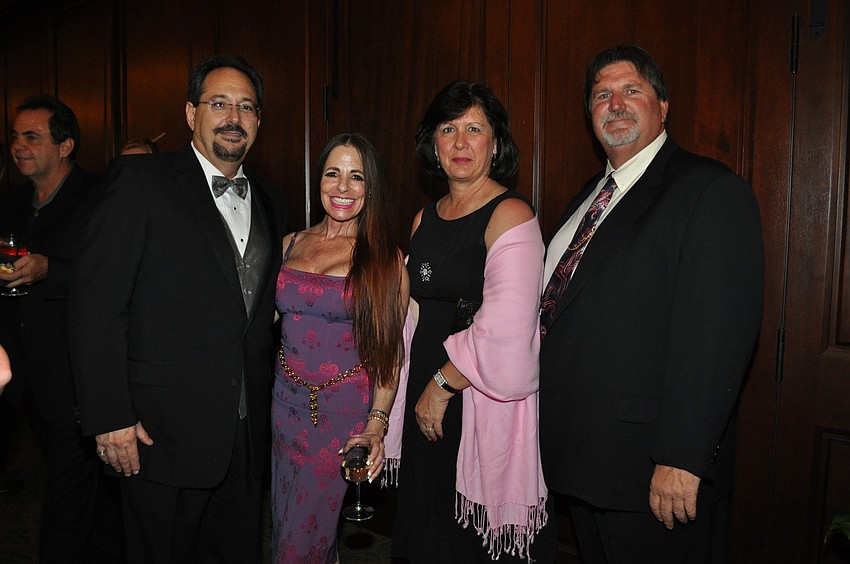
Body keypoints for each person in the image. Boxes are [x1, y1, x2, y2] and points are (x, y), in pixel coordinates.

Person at [537, 45, 764, 563]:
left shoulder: (709, 191)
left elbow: (717, 337)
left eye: (630, 90)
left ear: (663, 106)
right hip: (586, 462)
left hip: (653, 473)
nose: (615, 103)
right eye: (601, 95)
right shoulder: (589, 197)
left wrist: (682, 458)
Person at [68, 54, 287, 563]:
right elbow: (96, 306)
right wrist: (109, 415)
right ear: (191, 114)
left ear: (258, 121)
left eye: (247, 106)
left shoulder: (272, 202)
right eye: (219, 103)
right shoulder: (139, 182)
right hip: (156, 433)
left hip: (245, 436)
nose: (234, 116)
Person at [388, 80, 552, 563]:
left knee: (468, 544)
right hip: (424, 392)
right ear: (433, 144)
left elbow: (508, 330)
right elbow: (412, 313)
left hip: (472, 397)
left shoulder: (511, 214)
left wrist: (439, 387)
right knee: (428, 529)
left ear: (494, 143)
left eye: (474, 129)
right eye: (448, 129)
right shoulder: (424, 218)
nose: (460, 142)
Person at [272, 132, 408, 563]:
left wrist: (375, 425)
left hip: (339, 417)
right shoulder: (290, 244)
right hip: (283, 406)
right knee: (288, 523)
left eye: (356, 177)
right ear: (319, 180)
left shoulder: (384, 260)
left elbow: (388, 357)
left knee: (300, 541)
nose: (343, 188)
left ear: (372, 189)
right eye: (333, 174)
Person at [0, 94, 122, 562]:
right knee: (85, 497)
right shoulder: (12, 202)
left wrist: (53, 269)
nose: (18, 146)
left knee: (66, 505)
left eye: (32, 136)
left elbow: (112, 277)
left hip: (77, 376)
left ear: (66, 145)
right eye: (14, 136)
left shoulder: (99, 197)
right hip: (25, 373)